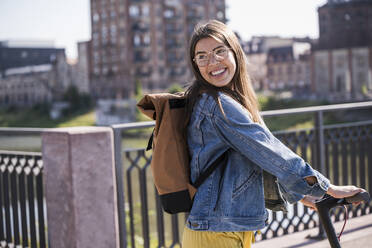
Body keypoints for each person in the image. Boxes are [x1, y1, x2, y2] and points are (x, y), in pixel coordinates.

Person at [182, 19, 365, 248]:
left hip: (224, 228)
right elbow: (270, 151)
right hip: (216, 233)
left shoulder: (228, 100)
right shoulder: (216, 106)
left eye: (220, 51)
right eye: (202, 56)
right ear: (195, 64)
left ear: (235, 53)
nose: (213, 62)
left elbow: (257, 159)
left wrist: (305, 196)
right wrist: (328, 187)